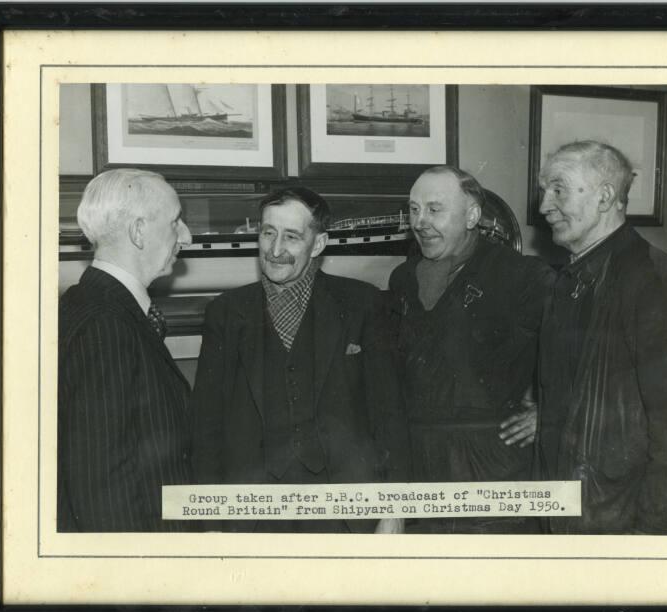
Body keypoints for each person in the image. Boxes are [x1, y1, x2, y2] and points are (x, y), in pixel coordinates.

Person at [191, 187, 408, 533]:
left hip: (344, 514)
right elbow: (206, 428)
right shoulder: (226, 313)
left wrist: (394, 510)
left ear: (318, 244)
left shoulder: (362, 305)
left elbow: (389, 417)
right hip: (253, 518)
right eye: (267, 233)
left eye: (291, 237)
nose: (275, 250)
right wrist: (210, 522)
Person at [388, 166, 553, 534]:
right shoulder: (402, 278)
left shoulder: (523, 276)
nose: (421, 222)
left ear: (473, 216)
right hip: (419, 461)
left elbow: (586, 351)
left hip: (491, 465)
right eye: (414, 210)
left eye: (434, 209)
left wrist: (552, 410)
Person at [531, 140, 667, 534]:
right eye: (545, 191)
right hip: (570, 514)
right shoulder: (566, 281)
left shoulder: (655, 282)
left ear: (605, 198)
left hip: (622, 523)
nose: (545, 205)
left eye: (558, 189)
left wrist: (650, 537)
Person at [58, 168, 194, 532]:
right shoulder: (107, 325)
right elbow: (102, 485)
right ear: (138, 231)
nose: (187, 235)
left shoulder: (89, 305)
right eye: (175, 221)